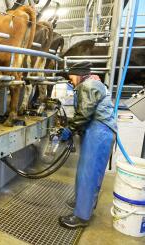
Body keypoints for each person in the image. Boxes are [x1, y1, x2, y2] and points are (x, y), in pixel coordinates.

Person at [58, 61, 117, 229]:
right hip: (96, 131)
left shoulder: (88, 85)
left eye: (71, 78)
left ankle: (81, 216)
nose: (71, 81)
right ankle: (82, 202)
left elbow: (85, 113)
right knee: (85, 171)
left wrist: (70, 128)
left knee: (89, 174)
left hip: (100, 133)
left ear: (79, 75)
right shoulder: (92, 83)